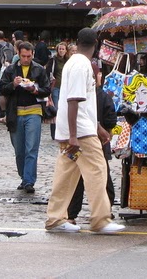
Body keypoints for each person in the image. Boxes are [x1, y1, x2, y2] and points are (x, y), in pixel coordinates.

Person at [45, 27, 125, 234]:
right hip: (79, 131)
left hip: (73, 128)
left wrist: (96, 127)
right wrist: (75, 135)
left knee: (66, 173)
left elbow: (81, 101)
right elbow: (74, 100)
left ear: (77, 43)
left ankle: (55, 218)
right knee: (98, 169)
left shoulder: (72, 62)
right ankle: (100, 219)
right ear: (96, 44)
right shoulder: (83, 65)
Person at [67, 59, 116, 225]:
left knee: (77, 178)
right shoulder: (102, 96)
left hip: (78, 139)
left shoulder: (81, 96)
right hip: (95, 143)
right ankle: (104, 211)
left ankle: (71, 214)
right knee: (101, 175)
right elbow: (111, 120)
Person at [0, 42, 51, 194]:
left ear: (33, 54)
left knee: (31, 148)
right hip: (15, 113)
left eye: (29, 56)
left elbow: (46, 90)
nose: (26, 59)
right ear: (18, 54)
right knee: (19, 150)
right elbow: (2, 88)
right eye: (23, 56)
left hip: (34, 111)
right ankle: (24, 176)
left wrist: (35, 90)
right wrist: (13, 85)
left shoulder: (39, 69)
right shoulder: (10, 69)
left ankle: (29, 180)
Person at [45, 42, 70, 139]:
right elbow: (48, 72)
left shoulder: (68, 61)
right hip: (55, 87)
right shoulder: (53, 60)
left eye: (63, 49)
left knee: (64, 109)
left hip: (65, 87)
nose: (61, 51)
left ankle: (63, 131)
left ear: (66, 50)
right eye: (60, 49)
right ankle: (54, 132)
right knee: (55, 109)